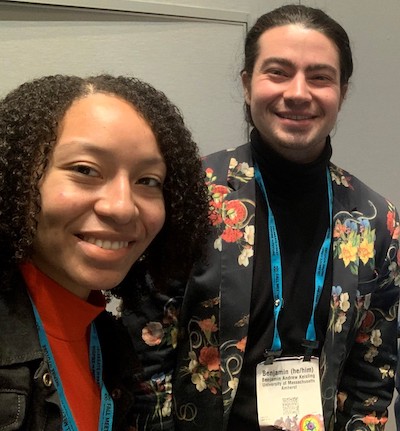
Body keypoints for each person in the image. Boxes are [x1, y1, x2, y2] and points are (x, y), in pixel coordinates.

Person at [173, 4, 400, 431]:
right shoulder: (192, 193)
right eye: (277, 71)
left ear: (342, 92)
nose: (298, 92)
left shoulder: (376, 220)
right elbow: (150, 355)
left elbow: (374, 370)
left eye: (319, 77)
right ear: (246, 84)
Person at [0, 74, 209, 430]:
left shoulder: (107, 340)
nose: (123, 208)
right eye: (85, 170)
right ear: (18, 178)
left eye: (148, 181)